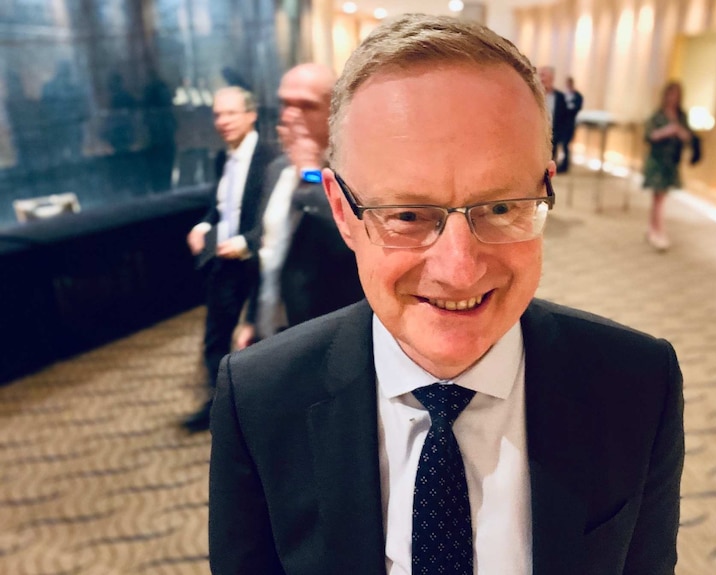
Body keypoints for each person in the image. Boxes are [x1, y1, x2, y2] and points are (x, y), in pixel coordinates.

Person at [209, 14, 684, 575]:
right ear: (342, 212)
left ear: (546, 190)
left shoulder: (637, 384)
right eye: (407, 214)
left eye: (502, 207)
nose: (459, 270)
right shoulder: (261, 399)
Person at [235, 63, 364, 346]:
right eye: (285, 103)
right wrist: (252, 319)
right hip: (273, 328)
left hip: (327, 332)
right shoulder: (276, 169)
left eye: (306, 106)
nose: (291, 115)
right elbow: (267, 250)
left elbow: (354, 242)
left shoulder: (359, 170)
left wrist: (309, 173)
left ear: (335, 110)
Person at [183, 86, 279, 433]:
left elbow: (274, 219)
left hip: (257, 262)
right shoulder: (221, 159)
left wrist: (243, 243)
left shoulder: (271, 160)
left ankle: (261, 413)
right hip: (223, 261)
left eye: (230, 114)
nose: (222, 122)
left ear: (251, 115)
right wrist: (204, 224)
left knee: (261, 340)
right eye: (218, 115)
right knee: (215, 337)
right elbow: (219, 207)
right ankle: (218, 406)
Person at [643, 81, 692, 251]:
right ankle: (658, 231)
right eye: (670, 94)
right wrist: (666, 131)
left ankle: (653, 229)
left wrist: (679, 132)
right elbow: (649, 135)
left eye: (676, 95)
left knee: (660, 197)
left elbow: (688, 136)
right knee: (658, 197)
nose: (673, 98)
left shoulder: (681, 116)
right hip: (657, 160)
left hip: (671, 161)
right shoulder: (657, 116)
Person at [539, 66, 569, 173]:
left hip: (553, 133)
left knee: (550, 161)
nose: (541, 78)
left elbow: (564, 117)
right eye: (540, 75)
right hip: (537, 132)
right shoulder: (533, 94)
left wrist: (561, 134)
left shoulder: (560, 97)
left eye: (544, 75)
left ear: (551, 78)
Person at [562, 76, 584, 171]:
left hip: (570, 123)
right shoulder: (563, 95)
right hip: (562, 123)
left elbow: (577, 108)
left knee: (566, 144)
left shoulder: (577, 96)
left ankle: (565, 165)